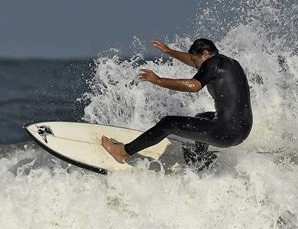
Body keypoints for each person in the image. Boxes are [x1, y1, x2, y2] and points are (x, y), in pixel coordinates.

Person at [101, 38, 253, 167]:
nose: (194, 65)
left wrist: (158, 80)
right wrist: (169, 51)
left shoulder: (211, 64)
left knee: (169, 123)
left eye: (195, 61)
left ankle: (123, 152)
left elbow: (194, 86)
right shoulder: (230, 63)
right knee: (202, 116)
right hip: (242, 131)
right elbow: (193, 59)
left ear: (205, 54)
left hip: (225, 132)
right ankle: (199, 161)